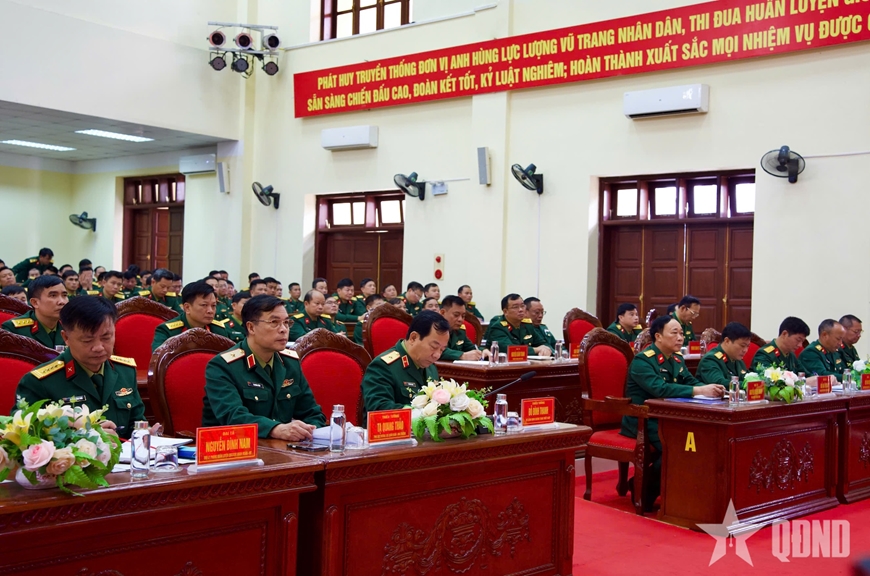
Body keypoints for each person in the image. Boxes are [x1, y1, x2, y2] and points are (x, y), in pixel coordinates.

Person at [620, 315, 724, 510]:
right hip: (644, 420)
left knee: (696, 444)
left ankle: (679, 493)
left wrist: (710, 389)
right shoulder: (643, 361)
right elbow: (660, 389)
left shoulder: (676, 359)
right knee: (678, 448)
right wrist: (698, 390)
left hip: (670, 419)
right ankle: (643, 490)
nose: (680, 338)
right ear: (658, 336)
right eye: (674, 333)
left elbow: (691, 382)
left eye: (682, 333)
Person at [14, 295, 148, 439]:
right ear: (66, 338)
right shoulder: (40, 382)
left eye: (106, 337)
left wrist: (146, 434)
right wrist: (83, 435)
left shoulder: (125, 371)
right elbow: (25, 437)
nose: (98, 347)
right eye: (87, 340)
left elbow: (137, 422)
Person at [201, 295, 326, 439]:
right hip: (233, 446)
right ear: (251, 327)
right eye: (274, 322)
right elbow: (234, 417)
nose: (283, 329)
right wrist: (276, 429)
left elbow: (312, 413)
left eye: (286, 322)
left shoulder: (290, 362)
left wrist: (310, 431)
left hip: (282, 448)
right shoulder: (223, 366)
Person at [361, 311, 448, 419]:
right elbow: (379, 409)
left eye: (442, 350)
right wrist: (420, 415)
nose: (437, 355)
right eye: (434, 347)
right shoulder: (382, 366)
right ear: (413, 338)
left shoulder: (431, 368)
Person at [151, 281, 231, 350]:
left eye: (213, 305)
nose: (210, 311)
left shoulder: (219, 330)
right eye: (204, 305)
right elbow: (158, 359)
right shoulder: (168, 331)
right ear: (187, 308)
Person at [1, 275, 67, 348]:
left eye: (64, 295)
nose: (62, 301)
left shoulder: (70, 326)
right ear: (35, 302)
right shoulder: (14, 330)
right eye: (53, 295)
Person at [484, 294, 553, 357]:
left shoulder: (527, 325)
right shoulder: (498, 327)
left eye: (522, 306)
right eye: (515, 307)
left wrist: (546, 350)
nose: (521, 310)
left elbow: (542, 343)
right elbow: (510, 350)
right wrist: (536, 350)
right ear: (505, 311)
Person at [439, 295, 484, 361]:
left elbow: (471, 348)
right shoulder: (433, 329)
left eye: (463, 316)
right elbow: (437, 350)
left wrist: (483, 351)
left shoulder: (460, 331)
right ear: (442, 313)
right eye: (456, 315)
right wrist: (462, 355)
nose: (461, 320)